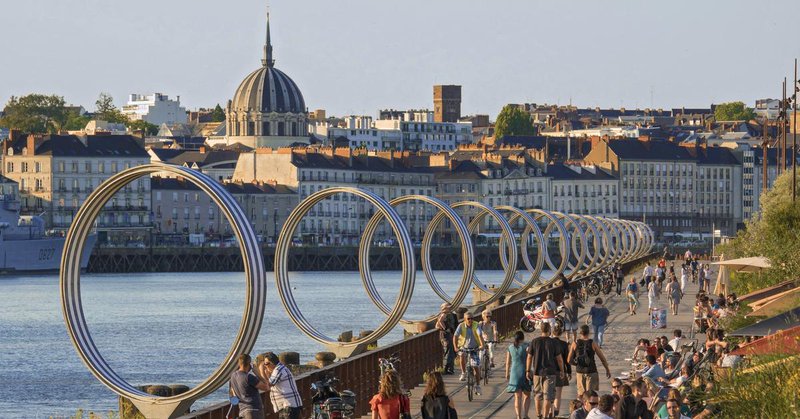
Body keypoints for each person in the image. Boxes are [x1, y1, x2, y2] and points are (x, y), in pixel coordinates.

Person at [526, 322, 566, 419]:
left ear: (541, 330)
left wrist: (527, 370)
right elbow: (559, 359)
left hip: (537, 372)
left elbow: (529, 357)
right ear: (549, 330)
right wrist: (562, 371)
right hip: (550, 372)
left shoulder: (534, 341)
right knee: (548, 396)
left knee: (538, 395)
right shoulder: (554, 342)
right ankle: (545, 416)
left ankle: (538, 415)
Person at [567, 325, 611, 396]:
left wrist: (576, 364)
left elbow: (569, 360)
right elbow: (602, 358)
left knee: (581, 395)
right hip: (592, 371)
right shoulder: (593, 343)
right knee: (591, 395)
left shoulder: (575, 343)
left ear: (580, 333)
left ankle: (581, 406)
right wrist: (607, 370)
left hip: (580, 372)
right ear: (589, 333)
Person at [260, 352, 302, 419]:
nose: (265, 366)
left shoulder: (279, 369)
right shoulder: (280, 369)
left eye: (266, 364)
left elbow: (268, 385)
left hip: (288, 406)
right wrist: (267, 375)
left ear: (272, 363)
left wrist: (261, 372)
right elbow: (271, 383)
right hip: (287, 406)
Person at [229, 354, 269, 419]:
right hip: (254, 411)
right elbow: (266, 387)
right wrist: (258, 373)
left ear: (239, 363)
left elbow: (232, 397)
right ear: (249, 364)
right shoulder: (249, 377)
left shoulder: (233, 376)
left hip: (242, 411)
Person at [453, 312, 484, 394]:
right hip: (464, 347)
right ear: (464, 319)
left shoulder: (476, 325)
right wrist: (455, 347)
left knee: (476, 367)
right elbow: (455, 336)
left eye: (472, 318)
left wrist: (482, 345)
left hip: (474, 348)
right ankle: (463, 373)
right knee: (462, 355)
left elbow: (480, 335)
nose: (470, 320)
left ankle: (477, 386)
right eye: (468, 319)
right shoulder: (461, 326)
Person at [506, 331, 531, 419]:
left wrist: (507, 373)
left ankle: (518, 416)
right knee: (527, 395)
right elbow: (529, 357)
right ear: (522, 338)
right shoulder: (526, 346)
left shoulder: (510, 347)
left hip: (514, 373)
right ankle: (525, 415)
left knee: (517, 396)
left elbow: (508, 362)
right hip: (524, 372)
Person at [552, 325, 571, 418]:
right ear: (561, 333)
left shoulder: (549, 343)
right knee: (558, 393)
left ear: (552, 332)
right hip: (560, 370)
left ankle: (549, 409)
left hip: (550, 370)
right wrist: (569, 371)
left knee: (549, 392)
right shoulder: (564, 344)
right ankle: (556, 411)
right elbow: (567, 360)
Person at [435, 303, 457, 374]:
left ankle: (450, 368)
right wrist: (445, 328)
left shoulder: (452, 315)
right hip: (446, 335)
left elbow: (455, 324)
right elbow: (438, 324)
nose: (449, 309)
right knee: (448, 350)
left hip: (451, 334)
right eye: (448, 308)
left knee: (452, 350)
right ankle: (447, 368)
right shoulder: (443, 314)